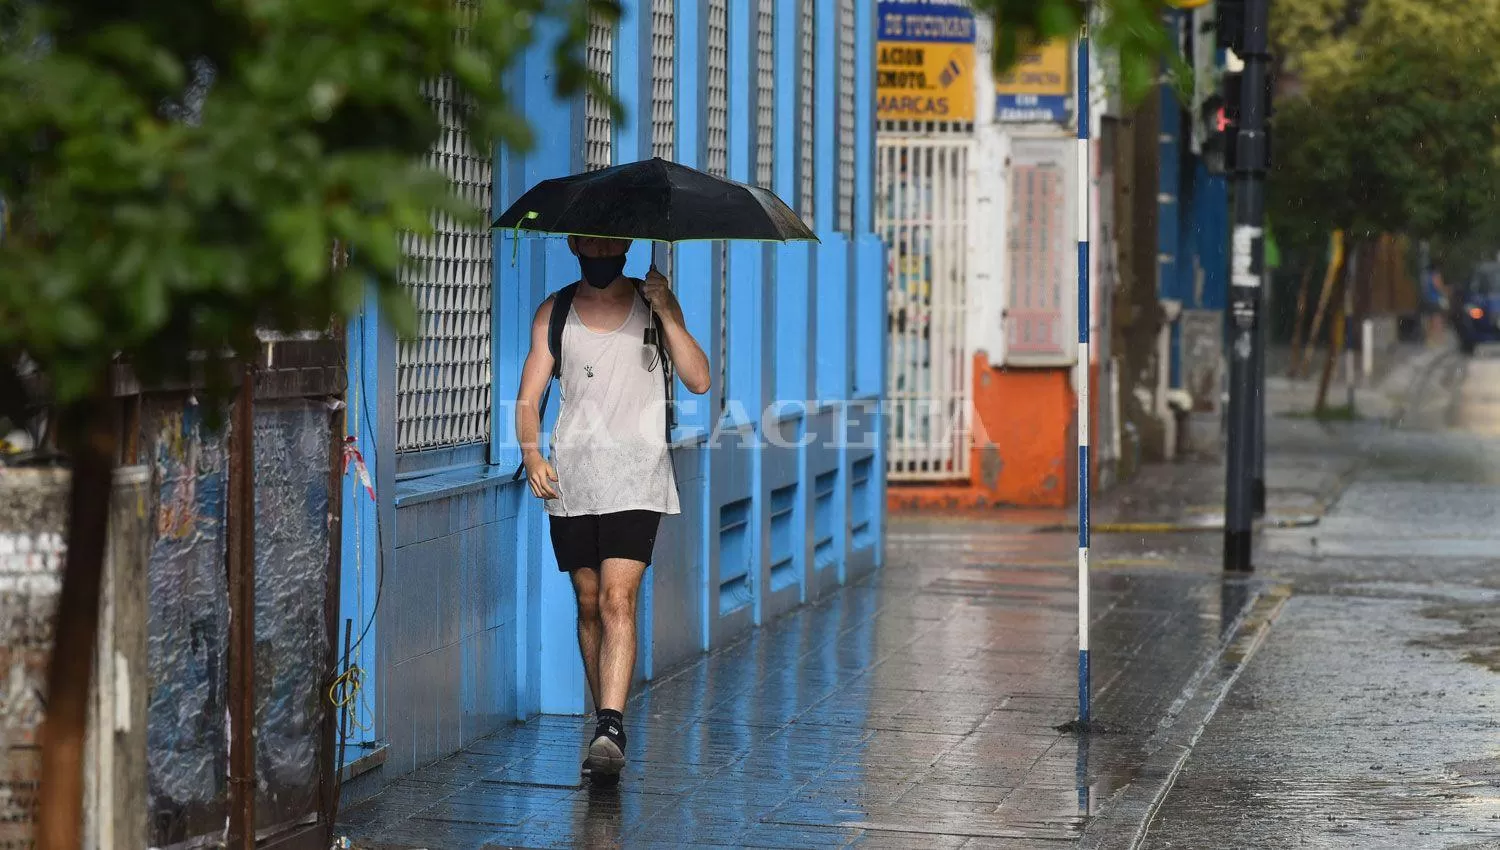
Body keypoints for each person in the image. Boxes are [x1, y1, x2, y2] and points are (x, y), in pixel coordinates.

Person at [515, 236, 710, 784]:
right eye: (590, 237)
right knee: (589, 601)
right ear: (575, 242)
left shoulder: (653, 302)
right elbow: (529, 397)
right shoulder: (554, 312)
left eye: (611, 237)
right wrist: (531, 453)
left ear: (626, 243)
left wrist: (670, 311)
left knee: (619, 598)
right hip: (573, 477)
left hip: (639, 475)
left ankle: (610, 724)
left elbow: (699, 378)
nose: (601, 247)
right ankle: (608, 727)